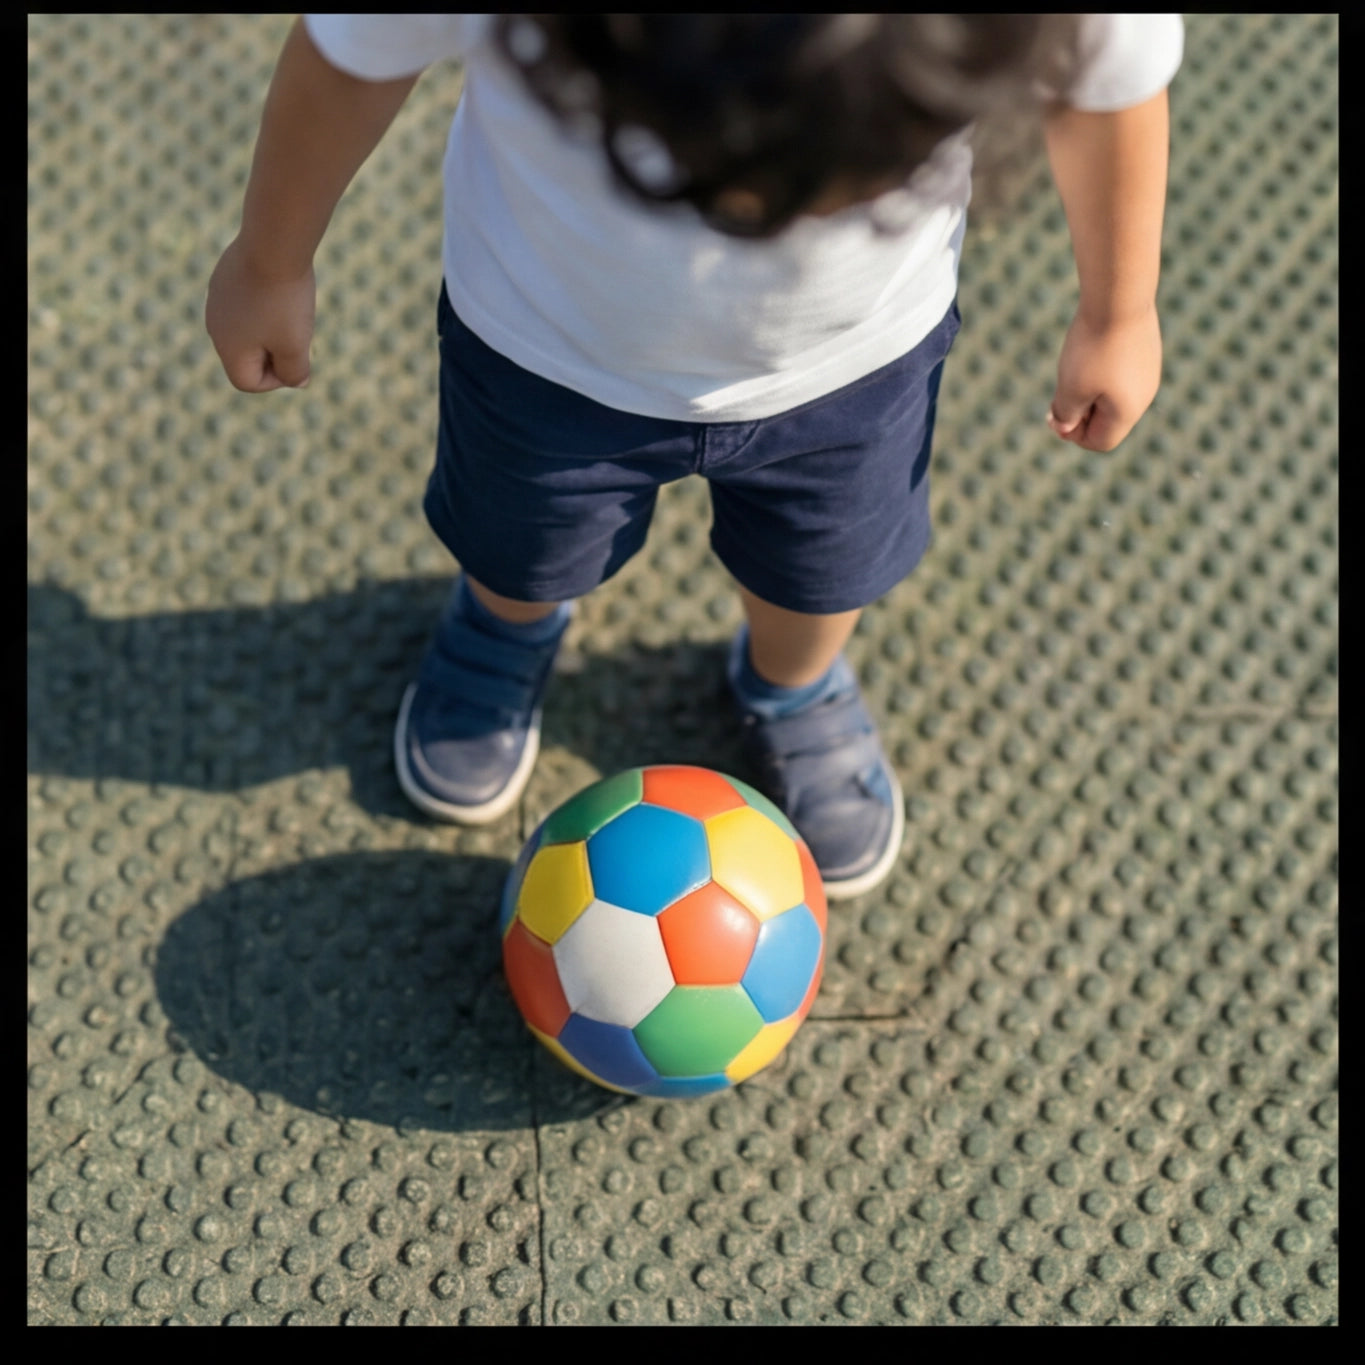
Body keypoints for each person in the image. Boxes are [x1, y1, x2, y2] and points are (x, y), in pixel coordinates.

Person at [205, 14, 1182, 900]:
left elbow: (1109, 90)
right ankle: (508, 627)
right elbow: (348, 62)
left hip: (856, 364)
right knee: (520, 546)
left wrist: (1119, 310)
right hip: (544, 348)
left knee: (821, 573)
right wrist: (270, 257)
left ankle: (791, 682)